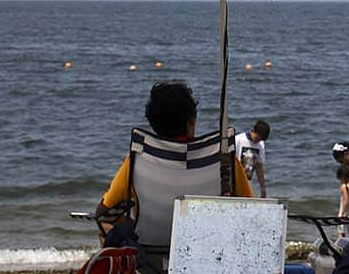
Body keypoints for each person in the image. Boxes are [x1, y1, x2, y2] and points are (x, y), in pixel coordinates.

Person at [97, 81, 252, 227]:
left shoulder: (137, 160)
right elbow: (253, 209)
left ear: (153, 123)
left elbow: (103, 212)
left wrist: (133, 226)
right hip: (208, 248)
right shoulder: (222, 161)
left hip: (149, 248)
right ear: (191, 120)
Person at [235, 119, 271, 198]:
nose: (257, 141)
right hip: (235, 181)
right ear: (253, 130)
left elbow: (259, 167)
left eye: (260, 140)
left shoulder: (260, 145)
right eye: (257, 138)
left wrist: (263, 188)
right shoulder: (238, 140)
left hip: (247, 183)